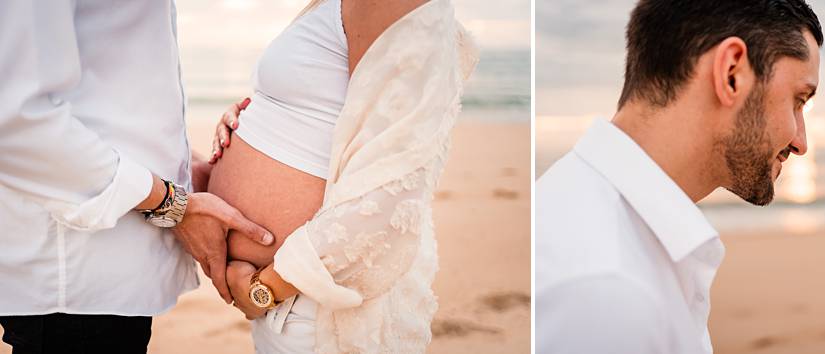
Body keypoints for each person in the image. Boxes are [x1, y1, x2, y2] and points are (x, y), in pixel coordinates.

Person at [535, 0, 823, 352]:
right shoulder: (606, 291)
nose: (801, 142)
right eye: (799, 99)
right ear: (731, 73)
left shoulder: (584, 208)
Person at [205, 0, 478, 352]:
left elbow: (391, 193)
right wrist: (255, 117)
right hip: (291, 302)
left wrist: (266, 288)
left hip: (315, 306)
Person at [0, 2, 273, 352]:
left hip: (105, 266)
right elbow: (16, 117)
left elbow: (105, 93)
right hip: (76, 267)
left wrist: (178, 164)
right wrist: (173, 206)